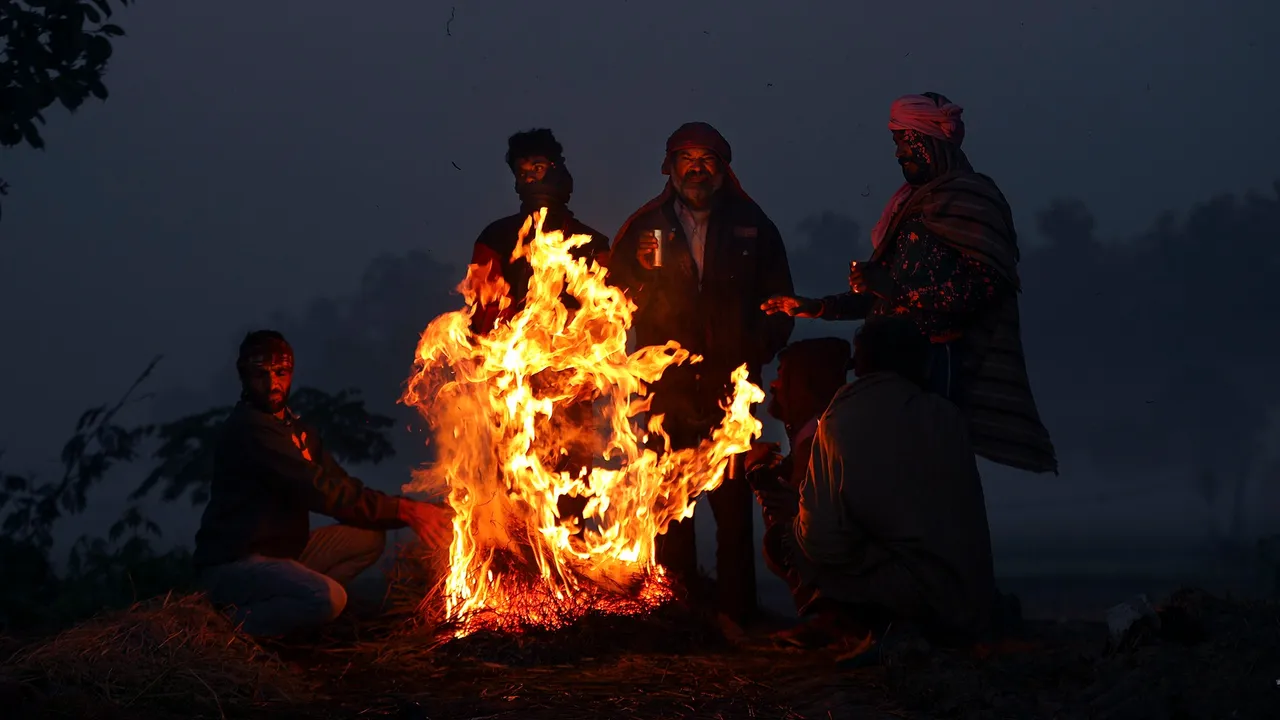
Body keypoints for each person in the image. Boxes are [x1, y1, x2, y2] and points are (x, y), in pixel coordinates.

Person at [761, 93, 1057, 475]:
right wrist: (814, 307)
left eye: (905, 140)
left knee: (927, 471)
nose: (899, 152)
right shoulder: (908, 205)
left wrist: (892, 288)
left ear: (931, 139)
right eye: (896, 142)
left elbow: (985, 287)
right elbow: (882, 299)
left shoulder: (972, 198)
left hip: (937, 365)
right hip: (887, 366)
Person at [609, 121, 796, 626]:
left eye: (707, 159)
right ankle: (680, 613)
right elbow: (606, 299)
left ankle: (737, 615)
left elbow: (782, 301)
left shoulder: (752, 224)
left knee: (734, 505)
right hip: (665, 393)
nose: (697, 167)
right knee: (669, 506)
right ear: (668, 166)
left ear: (723, 169)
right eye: (686, 157)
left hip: (728, 392)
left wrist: (753, 350)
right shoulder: (645, 226)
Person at [193, 330, 453, 637]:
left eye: (281, 373)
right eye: (260, 374)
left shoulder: (296, 429)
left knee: (368, 539)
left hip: (283, 554)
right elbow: (321, 491)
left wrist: (410, 510)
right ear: (244, 376)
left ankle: (289, 616)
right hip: (236, 563)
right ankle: (226, 630)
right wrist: (405, 510)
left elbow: (338, 485)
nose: (273, 383)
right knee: (327, 598)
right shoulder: (251, 430)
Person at [783, 318, 997, 649]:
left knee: (786, 541)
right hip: (966, 598)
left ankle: (864, 627)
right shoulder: (946, 414)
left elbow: (819, 537)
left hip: (909, 593)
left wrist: (860, 555)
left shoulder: (840, 417)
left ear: (862, 363)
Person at [743, 337, 852, 613]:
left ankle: (831, 618)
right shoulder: (821, 430)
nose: (773, 386)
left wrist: (756, 471)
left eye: (782, 376)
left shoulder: (818, 440)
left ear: (803, 385)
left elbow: (794, 511)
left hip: (850, 563)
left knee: (780, 540)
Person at [469, 128, 612, 334]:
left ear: (556, 170)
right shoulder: (495, 238)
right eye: (522, 173)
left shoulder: (591, 242)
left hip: (574, 358)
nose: (530, 179)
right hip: (511, 358)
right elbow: (485, 312)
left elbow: (608, 314)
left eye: (537, 168)